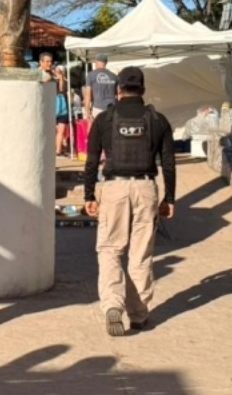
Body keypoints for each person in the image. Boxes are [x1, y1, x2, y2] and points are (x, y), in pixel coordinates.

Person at [83, 66, 176, 336]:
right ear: (143, 90)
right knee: (140, 254)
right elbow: (168, 163)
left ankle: (113, 304)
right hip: (146, 187)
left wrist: (89, 194)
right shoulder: (158, 120)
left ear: (117, 89)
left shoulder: (104, 120)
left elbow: (91, 160)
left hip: (113, 188)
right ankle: (138, 314)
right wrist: (169, 197)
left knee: (110, 250)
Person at [83, 53, 118, 119]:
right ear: (106, 63)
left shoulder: (91, 75)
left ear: (96, 62)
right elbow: (118, 94)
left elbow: (88, 94)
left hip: (98, 108)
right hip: (112, 108)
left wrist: (87, 112)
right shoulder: (114, 76)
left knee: (95, 128)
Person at [54, 64, 70, 155]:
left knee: (60, 131)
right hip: (56, 108)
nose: (58, 73)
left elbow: (61, 89)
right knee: (56, 131)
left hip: (62, 108)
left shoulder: (66, 82)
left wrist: (61, 79)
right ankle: (57, 148)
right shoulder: (52, 80)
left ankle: (58, 150)